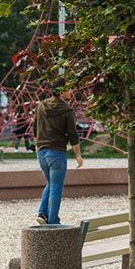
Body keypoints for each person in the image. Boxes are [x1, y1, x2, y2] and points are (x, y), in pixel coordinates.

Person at [32, 77, 84, 225]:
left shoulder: (41, 106)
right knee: (56, 187)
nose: (71, 91)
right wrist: (78, 156)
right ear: (61, 92)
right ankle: (53, 221)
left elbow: (35, 127)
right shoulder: (67, 111)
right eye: (68, 88)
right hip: (56, 153)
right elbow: (73, 135)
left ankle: (43, 214)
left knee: (51, 184)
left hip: (41, 153)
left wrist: (38, 145)